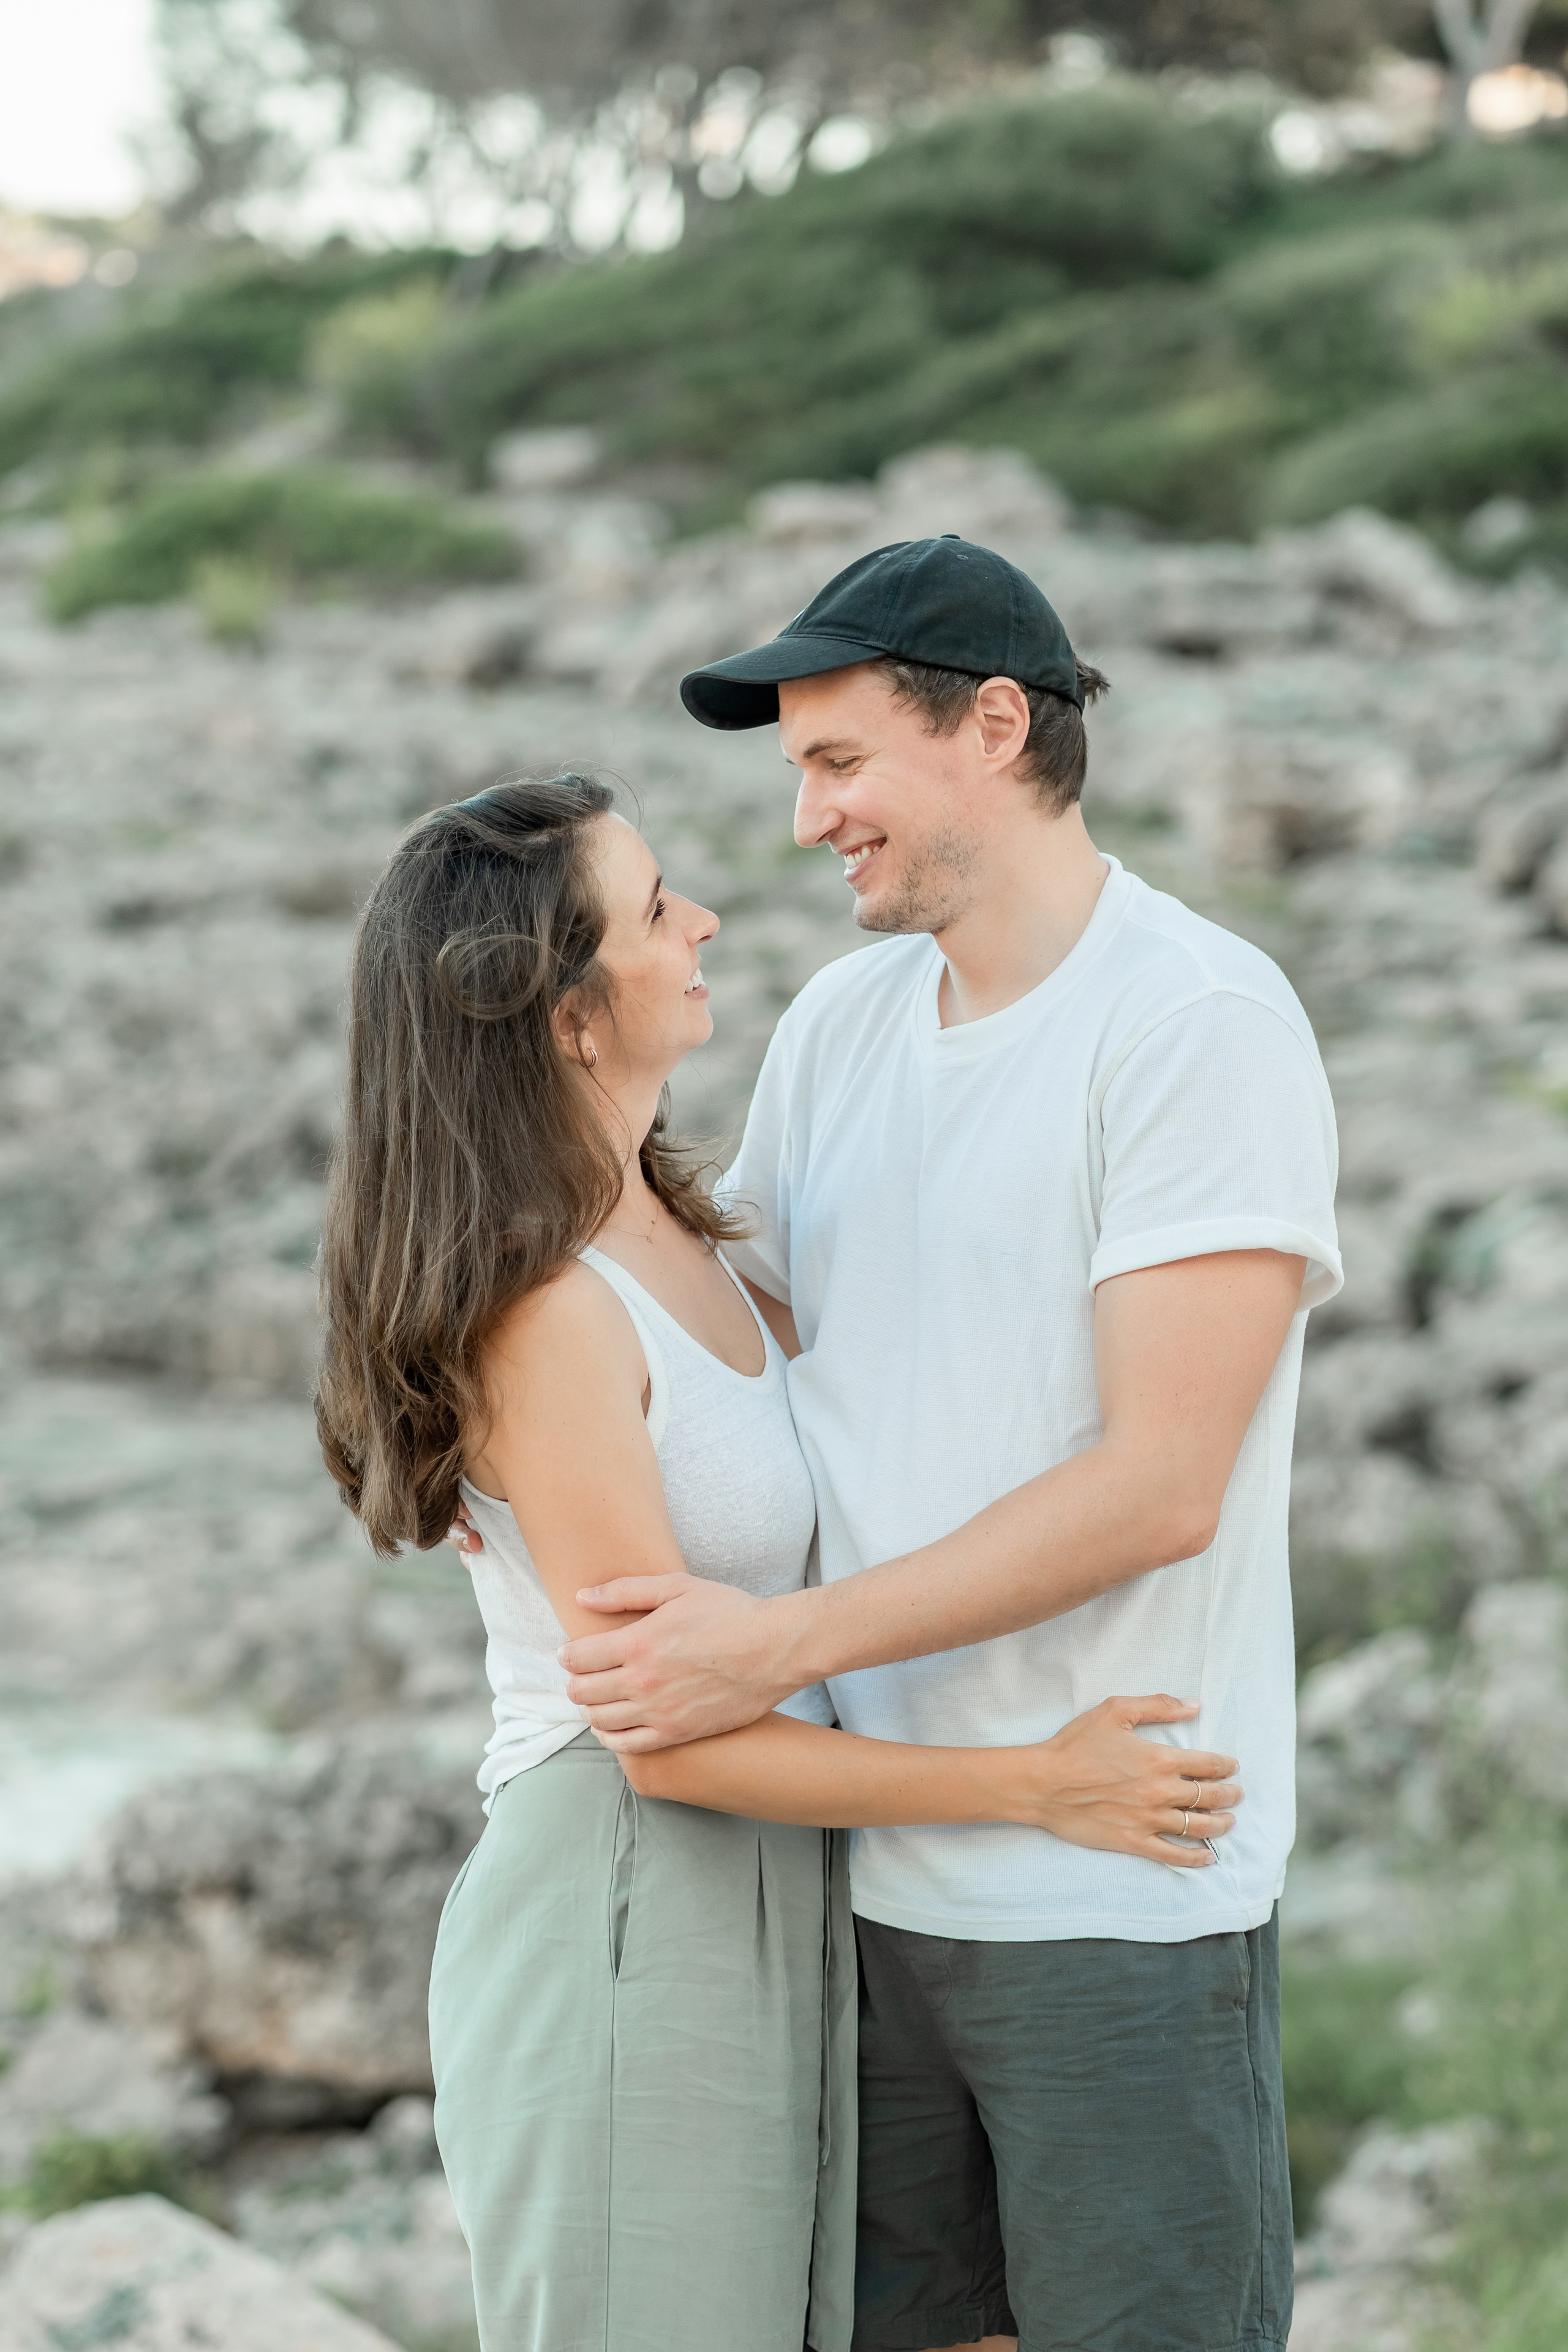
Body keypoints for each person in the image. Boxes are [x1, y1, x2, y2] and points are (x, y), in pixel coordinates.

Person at [314, 772, 1244, 2352]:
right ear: (568, 1017)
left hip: (777, 1889)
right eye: (654, 907)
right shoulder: (548, 1317)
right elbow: (670, 1740)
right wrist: (1035, 1784)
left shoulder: (690, 1231)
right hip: (630, 1890)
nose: (704, 921)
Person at [549, 538, 1343, 2352]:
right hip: (861, 1884)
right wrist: (486, 1417)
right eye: (798, 773)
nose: (808, 818)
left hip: (1118, 1883)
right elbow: (725, 1333)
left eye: (839, 763)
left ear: (994, 725)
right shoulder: (844, 1023)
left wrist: (774, 1646)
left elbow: (1160, 1485)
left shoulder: (1194, 1021)